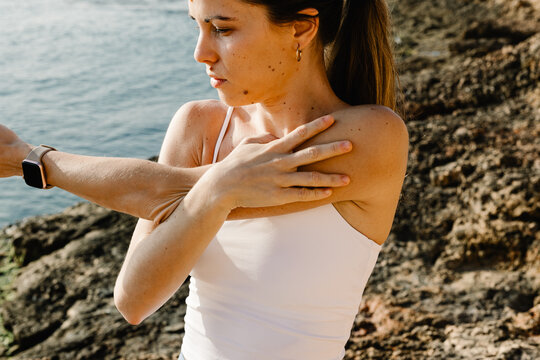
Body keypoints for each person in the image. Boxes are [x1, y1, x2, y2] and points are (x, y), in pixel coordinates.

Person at [0, 0, 408, 359]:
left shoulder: (370, 137)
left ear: (301, 27)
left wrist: (25, 157)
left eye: (223, 29)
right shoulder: (200, 127)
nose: (201, 53)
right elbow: (133, 300)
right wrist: (216, 192)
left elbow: (160, 190)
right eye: (197, 26)